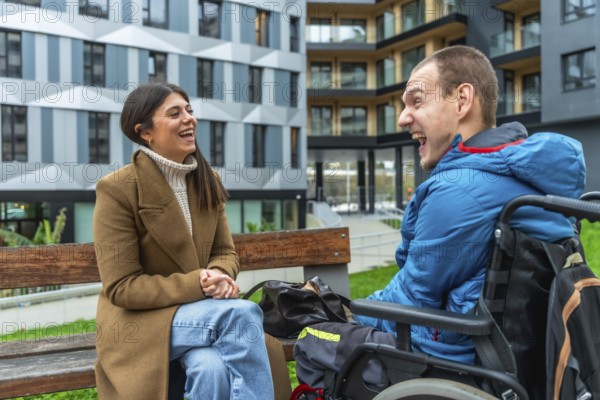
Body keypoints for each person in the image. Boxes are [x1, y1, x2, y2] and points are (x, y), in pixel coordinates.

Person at [294, 45, 587, 389]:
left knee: (312, 338)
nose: (403, 118)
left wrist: (348, 310)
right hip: (517, 368)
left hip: (450, 368)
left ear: (463, 100)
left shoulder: (459, 189)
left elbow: (412, 298)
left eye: (416, 101)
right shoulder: (531, 181)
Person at [93, 82, 291, 400]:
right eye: (174, 113)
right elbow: (122, 287)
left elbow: (225, 252)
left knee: (210, 368)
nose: (189, 119)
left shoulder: (206, 180)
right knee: (240, 315)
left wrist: (218, 273)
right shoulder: (118, 188)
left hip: (201, 314)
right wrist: (198, 282)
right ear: (145, 132)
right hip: (143, 323)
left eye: (189, 110)